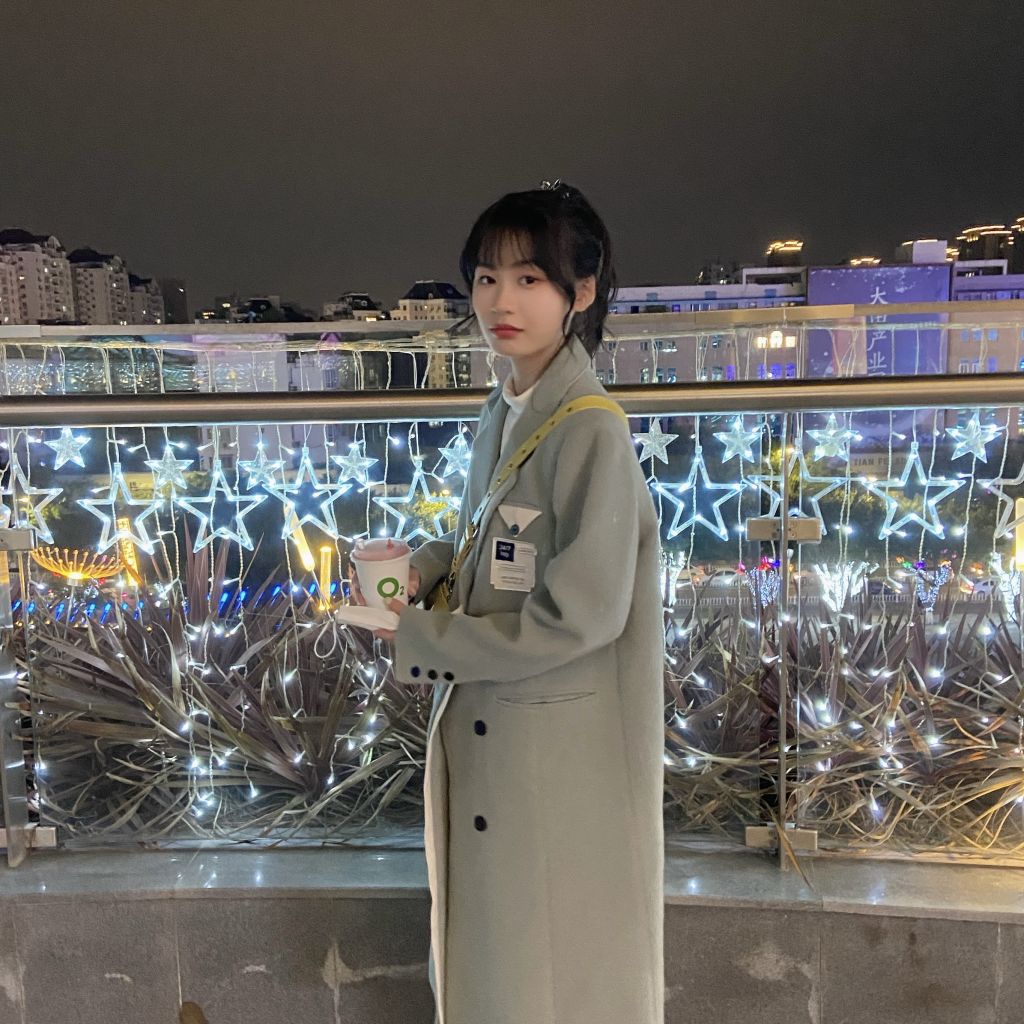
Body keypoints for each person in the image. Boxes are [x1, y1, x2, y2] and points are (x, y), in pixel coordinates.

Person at [350, 180, 665, 1024]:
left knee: (550, 975)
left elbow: (581, 616)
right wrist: (419, 567)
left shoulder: (590, 430)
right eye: (487, 278)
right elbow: (487, 540)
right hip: (506, 741)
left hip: (553, 764)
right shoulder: (508, 406)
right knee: (503, 967)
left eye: (530, 278)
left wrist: (421, 636)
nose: (501, 301)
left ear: (581, 293)